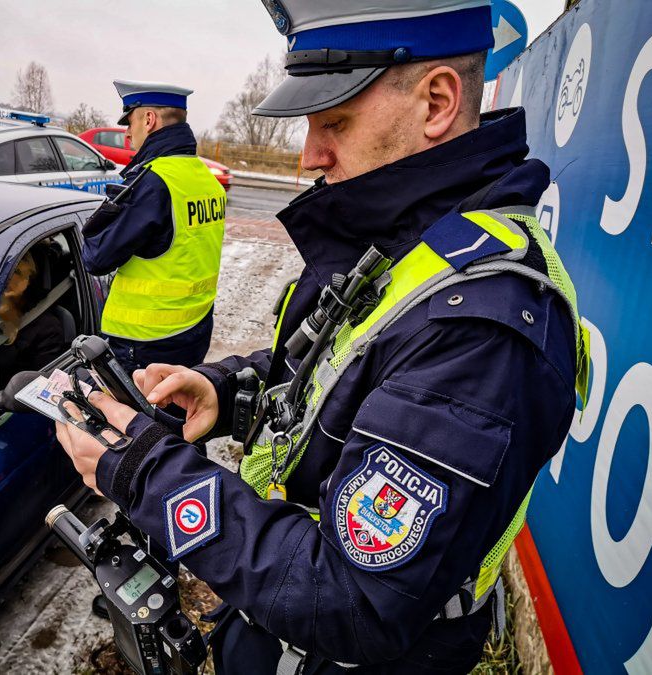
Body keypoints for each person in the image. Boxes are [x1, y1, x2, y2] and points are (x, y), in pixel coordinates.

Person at [57, 1, 590, 672]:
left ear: (437, 103)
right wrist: (231, 391)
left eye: (333, 120)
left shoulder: (483, 326)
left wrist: (146, 474)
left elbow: (355, 599)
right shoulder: (412, 232)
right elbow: (342, 363)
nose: (310, 154)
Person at [82, 80, 225, 373]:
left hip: (145, 342)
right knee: (175, 415)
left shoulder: (153, 182)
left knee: (136, 420)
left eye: (130, 121)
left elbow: (96, 258)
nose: (127, 132)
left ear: (149, 119)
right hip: (193, 330)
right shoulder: (204, 178)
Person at [0, 250, 67, 388]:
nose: (8, 278)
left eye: (17, 273)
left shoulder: (46, 327)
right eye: (4, 271)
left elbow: (41, 386)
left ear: (29, 281)